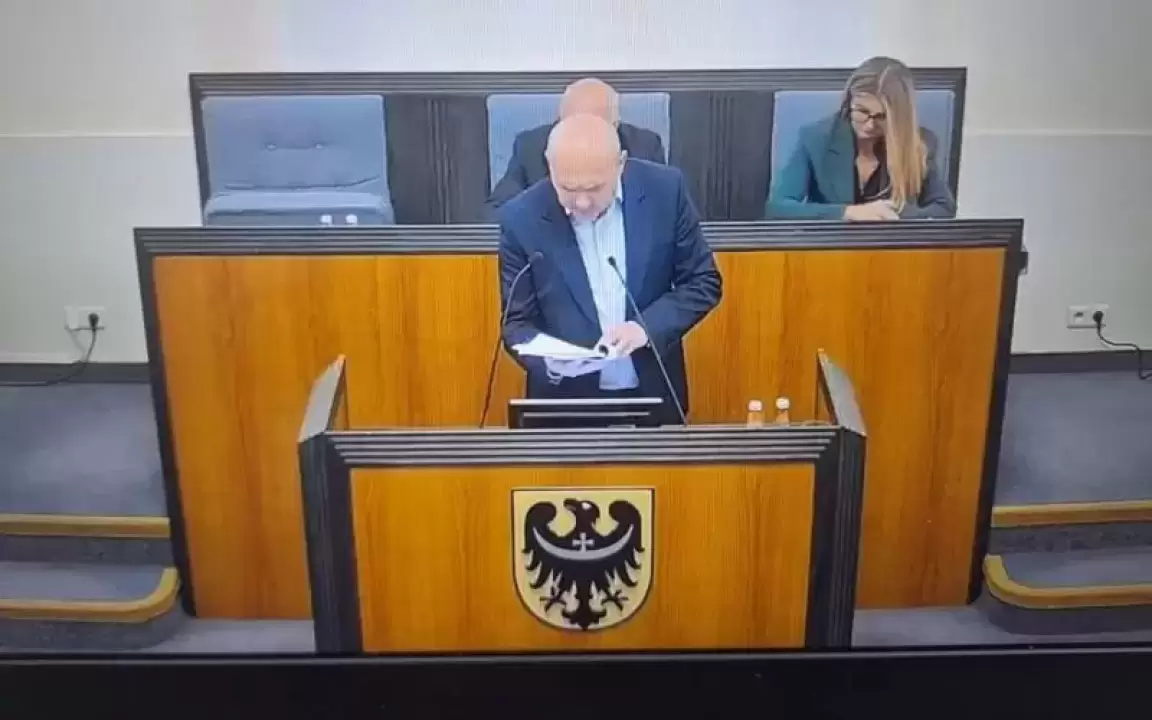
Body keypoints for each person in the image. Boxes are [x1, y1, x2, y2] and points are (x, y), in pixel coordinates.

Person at [497, 114, 721, 425]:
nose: (582, 202)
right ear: (549, 165)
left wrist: (645, 329)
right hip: (565, 409)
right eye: (568, 188)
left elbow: (702, 281)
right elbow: (516, 323)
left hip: (653, 396)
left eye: (594, 188)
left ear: (621, 164)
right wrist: (550, 363)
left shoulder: (665, 192)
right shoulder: (521, 218)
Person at [765, 56, 956, 221]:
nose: (870, 125)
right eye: (862, 111)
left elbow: (943, 208)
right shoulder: (815, 138)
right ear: (849, 102)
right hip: (832, 247)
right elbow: (778, 208)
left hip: (894, 246)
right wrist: (847, 212)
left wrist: (895, 217)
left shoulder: (920, 143)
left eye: (881, 117)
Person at [486, 78, 667, 217]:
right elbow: (497, 214)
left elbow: (663, 214)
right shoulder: (531, 147)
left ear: (615, 126)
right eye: (573, 127)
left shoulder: (645, 147)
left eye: (593, 131)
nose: (582, 141)